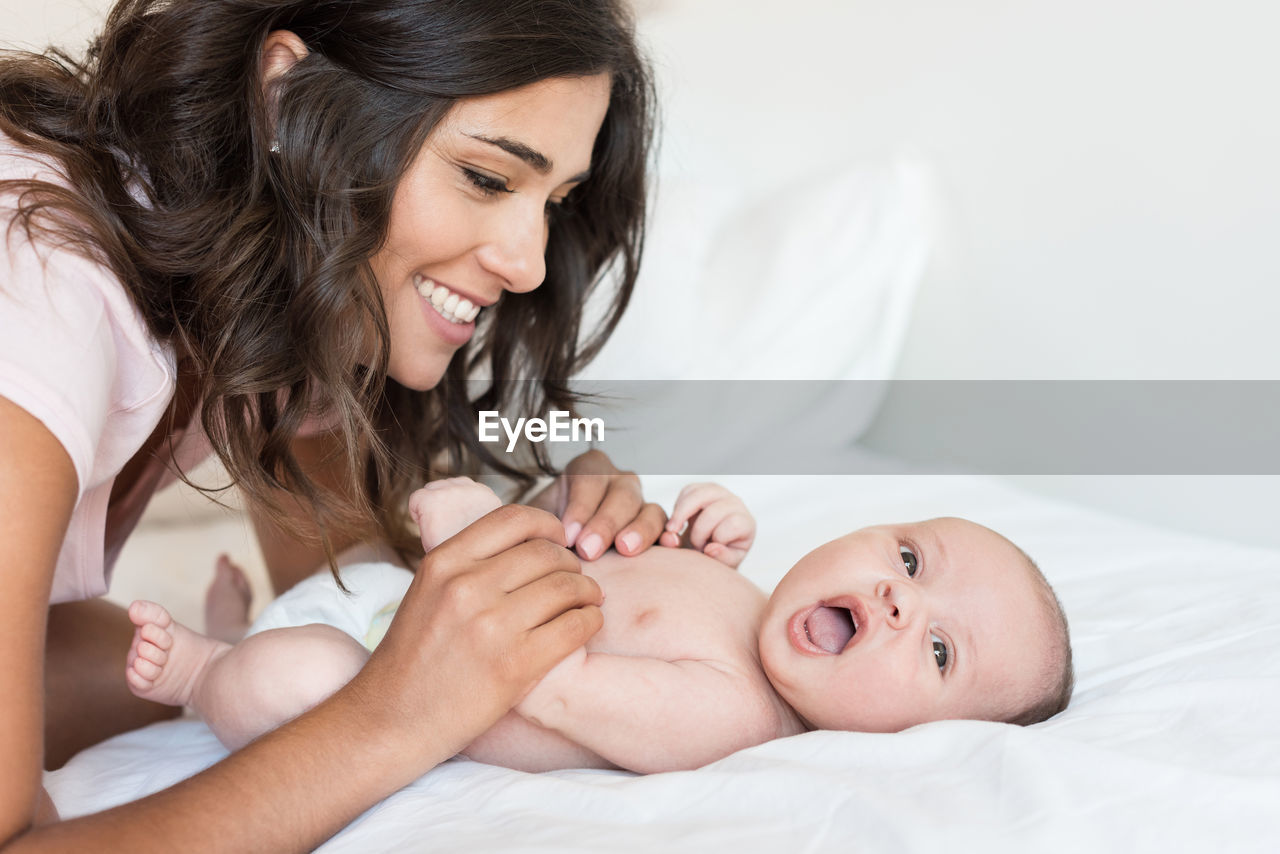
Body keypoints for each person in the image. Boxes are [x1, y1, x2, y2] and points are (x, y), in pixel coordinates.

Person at [0, 0, 663, 848]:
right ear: (287, 94)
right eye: (489, 179)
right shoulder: (42, 287)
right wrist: (395, 719)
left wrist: (543, 546)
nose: (529, 264)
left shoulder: (271, 290)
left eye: (555, 201)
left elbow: (343, 601)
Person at [125, 478, 1075, 774]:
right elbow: (620, 569)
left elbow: (548, 676)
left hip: (383, 669)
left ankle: (205, 674)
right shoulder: (746, 612)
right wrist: (693, 549)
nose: (903, 599)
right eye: (908, 559)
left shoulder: (732, 716)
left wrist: (475, 539)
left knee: (282, 683)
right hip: (396, 596)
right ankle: (250, 616)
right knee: (331, 596)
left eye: (939, 650)